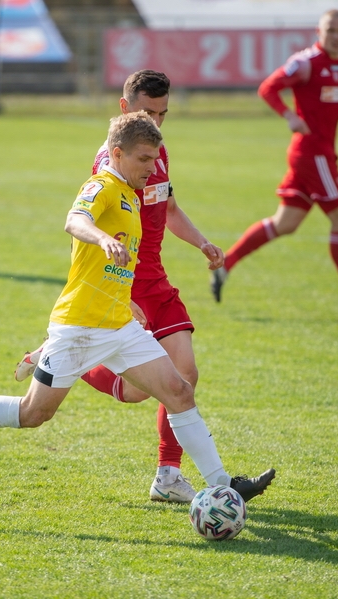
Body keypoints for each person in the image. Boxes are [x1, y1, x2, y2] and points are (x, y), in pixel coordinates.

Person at [0, 112, 276, 506]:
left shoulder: (133, 195)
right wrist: (101, 238)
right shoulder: (102, 185)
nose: (152, 169)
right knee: (34, 414)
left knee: (179, 390)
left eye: (155, 159)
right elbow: (74, 220)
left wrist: (126, 300)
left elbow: (114, 266)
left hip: (119, 326)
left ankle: (223, 485)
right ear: (116, 153)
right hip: (78, 328)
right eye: (143, 159)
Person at [14, 70, 231, 504]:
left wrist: (202, 241)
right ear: (124, 108)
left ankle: (169, 475)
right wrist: (120, 291)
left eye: (162, 113)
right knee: (135, 392)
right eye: (147, 111)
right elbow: (89, 220)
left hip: (157, 277)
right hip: (125, 283)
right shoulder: (110, 161)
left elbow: (168, 209)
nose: (156, 120)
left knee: (184, 375)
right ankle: (59, 356)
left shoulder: (157, 153)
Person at [210, 9, 338, 315]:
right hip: (312, 153)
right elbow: (267, 88)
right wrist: (290, 115)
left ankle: (226, 264)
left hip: (319, 153)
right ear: (318, 32)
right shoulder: (305, 63)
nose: (336, 35)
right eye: (331, 30)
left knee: (286, 223)